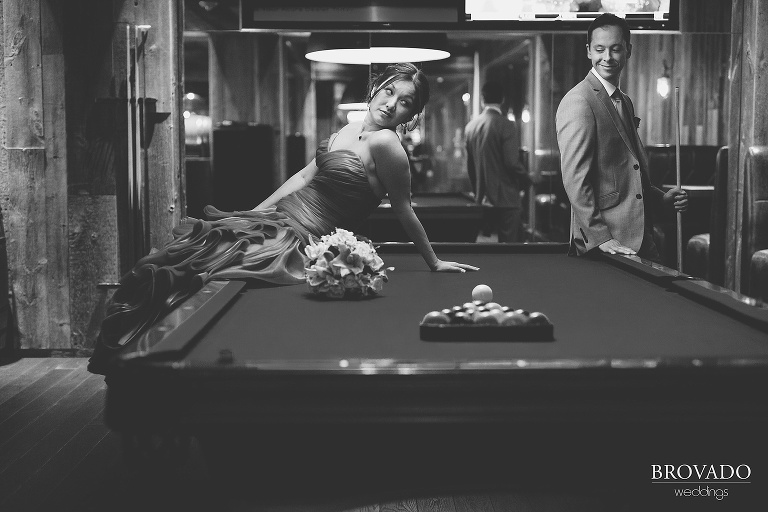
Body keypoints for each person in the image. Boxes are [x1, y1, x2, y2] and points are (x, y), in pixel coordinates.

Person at [88, 63, 477, 375]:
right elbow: (304, 176)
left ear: (413, 114)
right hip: (280, 219)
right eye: (390, 91)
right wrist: (257, 212)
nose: (392, 104)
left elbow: (404, 207)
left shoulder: (387, 144)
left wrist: (434, 260)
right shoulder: (351, 128)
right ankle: (147, 364)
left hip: (306, 236)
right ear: (375, 89)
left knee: (204, 273)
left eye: (406, 102)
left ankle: (159, 370)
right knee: (182, 258)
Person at [556, 13, 688, 261]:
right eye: (599, 49)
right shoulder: (579, 100)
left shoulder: (623, 100)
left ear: (628, 50)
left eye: (615, 49)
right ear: (588, 51)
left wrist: (661, 199)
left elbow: (627, 169)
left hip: (636, 235)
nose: (607, 57)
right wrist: (600, 236)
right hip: (606, 241)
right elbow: (575, 178)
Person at [464, 81, 530, 242]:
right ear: (502, 100)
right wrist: (528, 178)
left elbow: (471, 168)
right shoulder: (506, 125)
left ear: (482, 99)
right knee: (510, 250)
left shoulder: (471, 127)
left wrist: (478, 193)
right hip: (506, 198)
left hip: (482, 198)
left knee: (484, 249)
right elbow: (511, 163)